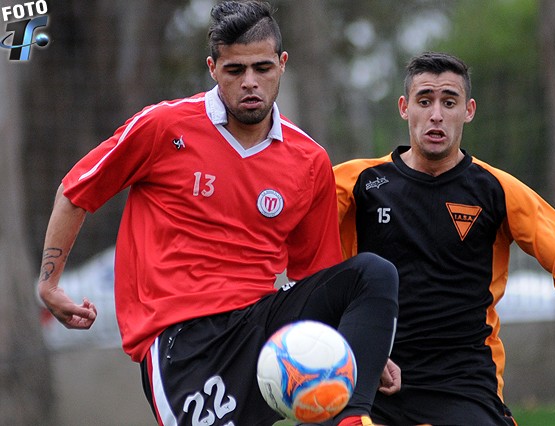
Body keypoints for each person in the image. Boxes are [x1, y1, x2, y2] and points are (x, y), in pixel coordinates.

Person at [37, 2, 398, 425]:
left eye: (262, 68)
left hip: (263, 329)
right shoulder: (164, 127)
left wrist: (359, 350)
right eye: (235, 70)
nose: (250, 83)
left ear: (282, 64)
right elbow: (76, 190)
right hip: (182, 342)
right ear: (213, 68)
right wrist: (49, 283)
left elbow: (316, 275)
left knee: (372, 273)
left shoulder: (308, 160)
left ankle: (352, 420)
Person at [334, 51, 555, 425]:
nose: (436, 114)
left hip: (465, 384)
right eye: (424, 101)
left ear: (469, 110)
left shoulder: (494, 189)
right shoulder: (358, 182)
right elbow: (294, 232)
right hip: (375, 373)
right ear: (404, 108)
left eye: (449, 101)